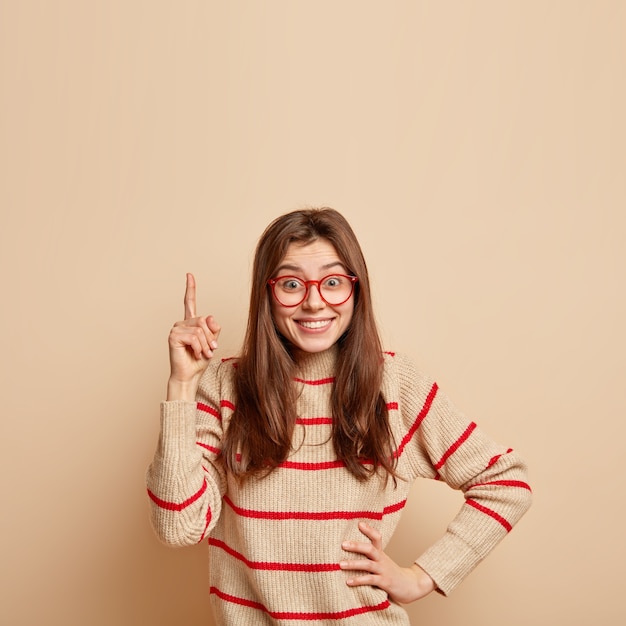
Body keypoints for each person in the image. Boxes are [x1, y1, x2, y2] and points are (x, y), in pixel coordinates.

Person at [146, 207, 532, 625]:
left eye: (332, 282)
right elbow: (178, 526)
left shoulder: (395, 385)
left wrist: (422, 577)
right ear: (267, 293)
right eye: (292, 284)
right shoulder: (224, 385)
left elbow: (506, 482)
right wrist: (181, 387)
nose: (314, 302)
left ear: (356, 290)